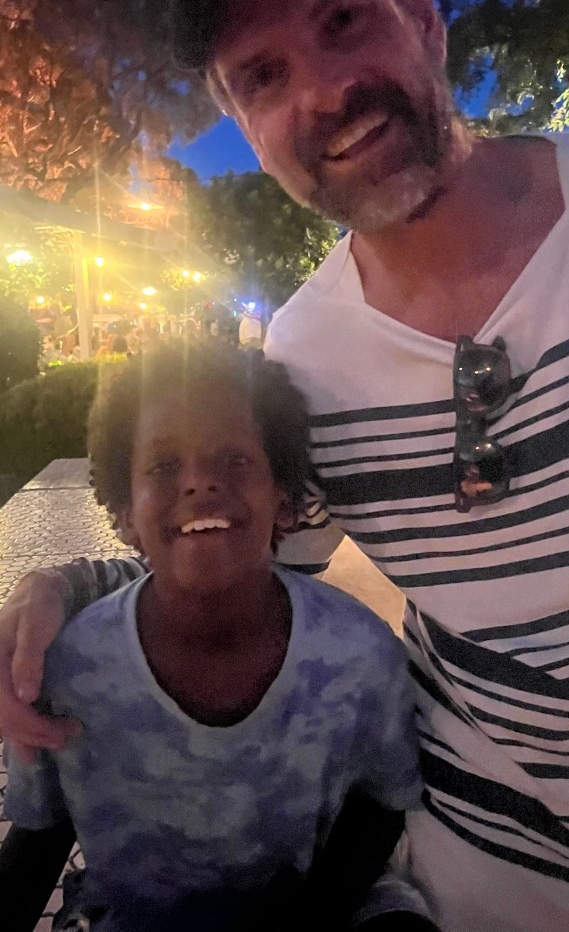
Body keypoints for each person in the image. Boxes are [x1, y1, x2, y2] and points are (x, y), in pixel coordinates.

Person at [1, 0, 569, 929]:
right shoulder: (305, 358)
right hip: (485, 881)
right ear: (249, 134)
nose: (323, 91)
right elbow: (236, 554)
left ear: (423, 16)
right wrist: (60, 588)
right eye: (262, 77)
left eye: (343, 20)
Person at [2, 341, 433, 932]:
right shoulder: (68, 666)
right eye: (163, 466)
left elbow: (380, 807)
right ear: (124, 513)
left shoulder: (360, 652)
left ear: (285, 500)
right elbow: (38, 838)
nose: (200, 482)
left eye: (234, 460)